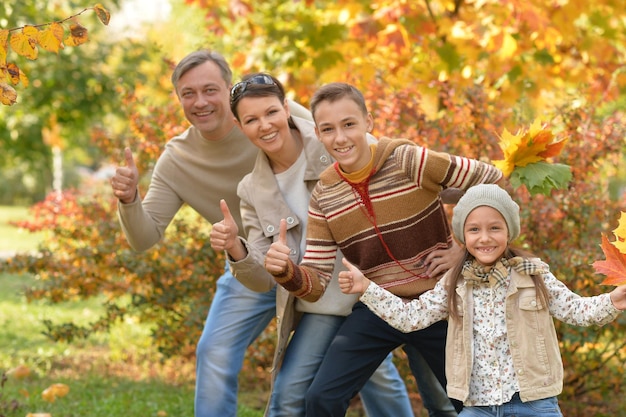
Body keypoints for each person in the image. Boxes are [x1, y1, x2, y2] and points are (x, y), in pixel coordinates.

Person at [210, 72, 454, 416]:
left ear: (286, 109)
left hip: (397, 288)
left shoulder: (335, 140)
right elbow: (261, 279)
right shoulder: (252, 190)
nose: (265, 126)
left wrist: (460, 248)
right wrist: (236, 248)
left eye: (270, 113)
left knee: (441, 397)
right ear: (239, 126)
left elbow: (434, 185)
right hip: (324, 302)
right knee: (291, 398)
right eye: (251, 120)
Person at [263, 82, 504, 416]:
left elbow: (491, 178)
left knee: (472, 402)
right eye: (329, 129)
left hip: (437, 302)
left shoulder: (409, 160)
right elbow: (316, 283)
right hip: (379, 305)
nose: (341, 138)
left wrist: (463, 251)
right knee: (320, 398)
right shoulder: (325, 196)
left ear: (368, 123)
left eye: (349, 124)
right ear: (318, 134)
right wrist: (285, 271)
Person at [109, 50, 313, 417]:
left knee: (373, 371)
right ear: (179, 99)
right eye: (188, 93)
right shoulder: (178, 159)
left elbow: (343, 151)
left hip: (317, 254)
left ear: (228, 88)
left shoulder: (268, 114)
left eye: (210, 90)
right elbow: (144, 237)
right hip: (248, 260)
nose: (200, 102)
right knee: (214, 350)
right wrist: (128, 199)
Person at [339, 183, 626, 417]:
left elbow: (576, 310)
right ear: (463, 235)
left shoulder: (533, 275)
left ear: (509, 232)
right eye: (474, 229)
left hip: (533, 403)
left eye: (495, 228)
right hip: (479, 407)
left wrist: (613, 300)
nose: (484, 238)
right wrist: (366, 288)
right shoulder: (454, 283)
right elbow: (410, 318)